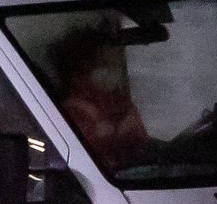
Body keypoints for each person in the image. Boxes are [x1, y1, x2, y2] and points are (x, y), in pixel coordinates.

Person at [43, 23, 153, 173]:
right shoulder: (72, 114)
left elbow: (143, 147)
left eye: (116, 65)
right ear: (78, 75)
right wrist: (116, 134)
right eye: (105, 66)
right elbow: (88, 162)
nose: (113, 72)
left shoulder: (121, 102)